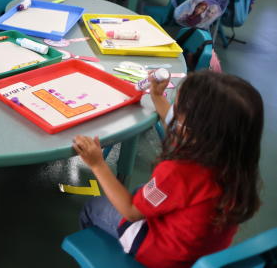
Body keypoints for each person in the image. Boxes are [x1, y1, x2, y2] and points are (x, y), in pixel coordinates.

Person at [74, 70, 263, 268]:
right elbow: (177, 128)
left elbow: (131, 211)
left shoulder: (179, 171)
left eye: (178, 111)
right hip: (200, 251)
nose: (174, 115)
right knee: (141, 190)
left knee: (93, 208)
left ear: (194, 129)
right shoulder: (235, 159)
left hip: (162, 254)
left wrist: (97, 164)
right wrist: (156, 96)